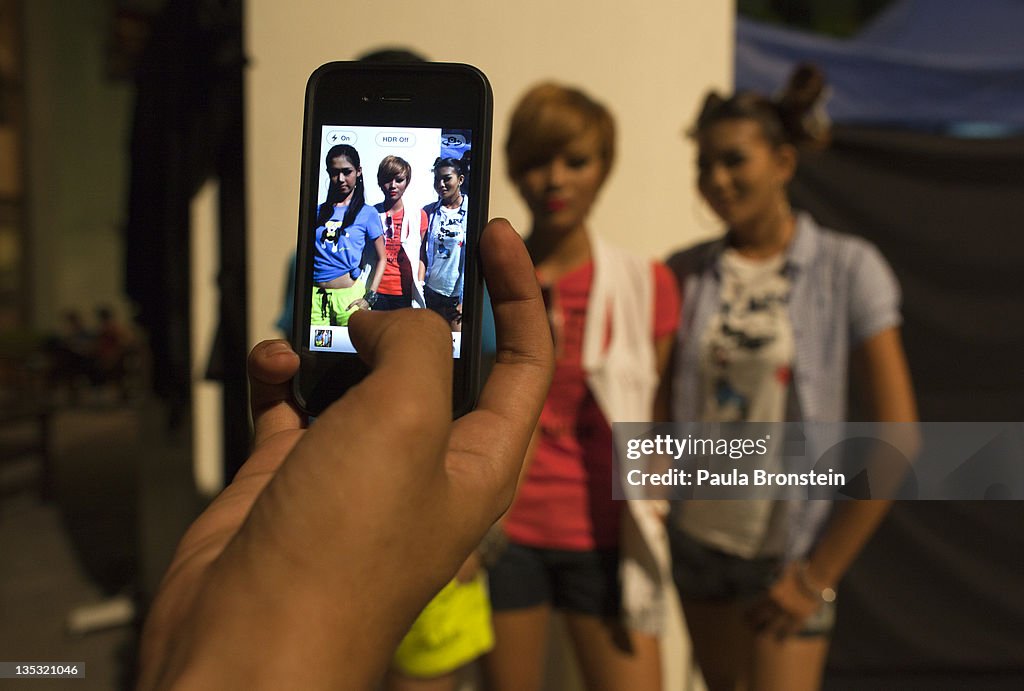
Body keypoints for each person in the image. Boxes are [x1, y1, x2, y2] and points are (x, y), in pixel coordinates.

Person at [136, 219, 554, 691]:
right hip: (312, 530)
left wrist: (480, 542)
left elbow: (485, 364)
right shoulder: (314, 254)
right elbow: (295, 342)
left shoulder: (450, 259)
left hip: (433, 526)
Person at [665, 64, 919, 691]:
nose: (716, 181)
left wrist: (815, 576)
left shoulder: (847, 268)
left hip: (789, 550)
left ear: (782, 161)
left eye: (733, 161)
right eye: (703, 166)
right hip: (699, 540)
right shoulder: (686, 272)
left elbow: (898, 437)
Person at [481, 83, 679, 691]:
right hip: (505, 528)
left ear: (604, 168)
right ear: (514, 168)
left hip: (606, 535)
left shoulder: (645, 283)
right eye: (539, 160)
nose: (556, 179)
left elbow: (657, 416)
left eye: (576, 160)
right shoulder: (482, 277)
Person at [311, 143, 386, 326]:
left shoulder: (367, 213)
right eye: (335, 172)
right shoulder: (317, 211)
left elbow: (382, 258)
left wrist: (369, 298)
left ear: (358, 171)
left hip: (349, 300)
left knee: (353, 354)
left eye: (347, 171)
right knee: (314, 354)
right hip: (314, 299)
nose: (341, 178)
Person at [373, 155, 429, 311]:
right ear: (379, 181)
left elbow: (421, 256)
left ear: (407, 182)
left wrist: (419, 283)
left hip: (405, 293)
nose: (393, 185)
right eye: (387, 179)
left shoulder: (419, 216)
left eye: (399, 180)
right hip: (374, 289)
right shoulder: (370, 214)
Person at [422, 158, 469, 331]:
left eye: (447, 178)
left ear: (460, 180)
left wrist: (466, 300)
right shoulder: (429, 211)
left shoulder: (472, 212)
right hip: (431, 292)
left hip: (457, 296)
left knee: (455, 348)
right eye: (437, 179)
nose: (441, 184)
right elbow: (421, 252)